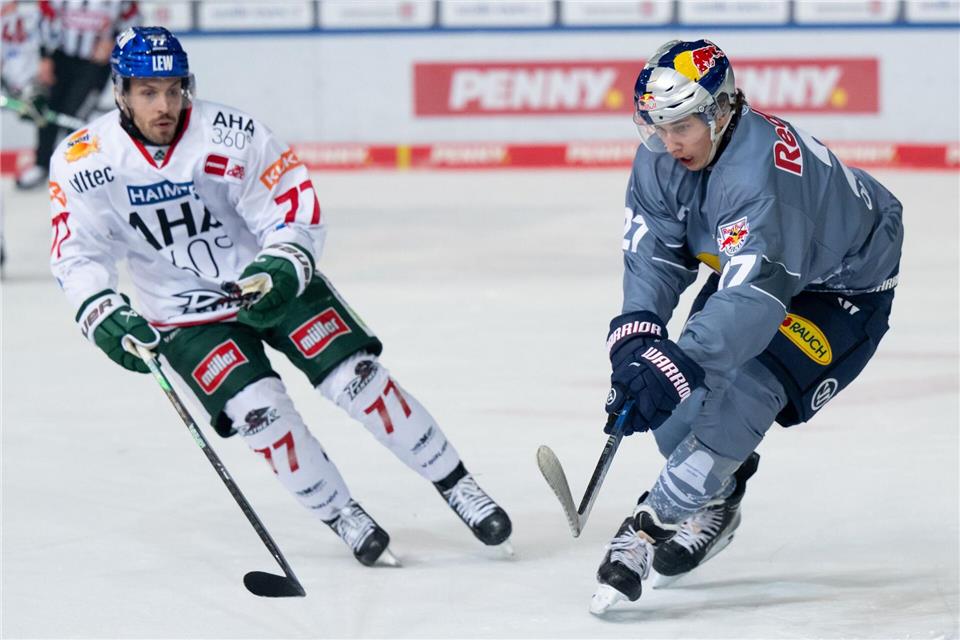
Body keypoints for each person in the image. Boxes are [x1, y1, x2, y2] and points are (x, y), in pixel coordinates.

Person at [48, 26, 512, 567]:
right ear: (122, 92)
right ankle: (342, 512)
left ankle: (457, 484)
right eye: (149, 92)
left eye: (174, 89)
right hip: (183, 315)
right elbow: (77, 254)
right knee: (260, 414)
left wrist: (282, 264)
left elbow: (292, 208)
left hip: (267, 285)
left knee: (359, 380)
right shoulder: (84, 161)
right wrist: (101, 311)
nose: (165, 105)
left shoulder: (231, 133)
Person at [590, 39, 902, 614]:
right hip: (760, 265)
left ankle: (644, 529)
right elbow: (657, 252)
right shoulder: (666, 154)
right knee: (676, 410)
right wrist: (638, 334)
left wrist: (674, 362)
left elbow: (756, 297)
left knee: (744, 396)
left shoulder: (762, 177)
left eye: (681, 123)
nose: (667, 141)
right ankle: (722, 492)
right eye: (656, 125)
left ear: (721, 109)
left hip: (840, 288)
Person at [16, 0, 139, 189]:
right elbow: (44, 16)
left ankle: (75, 170)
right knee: (48, 111)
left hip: (94, 65)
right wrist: (45, 57)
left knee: (75, 116)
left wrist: (114, 43)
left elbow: (131, 21)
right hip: (61, 57)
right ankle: (42, 164)